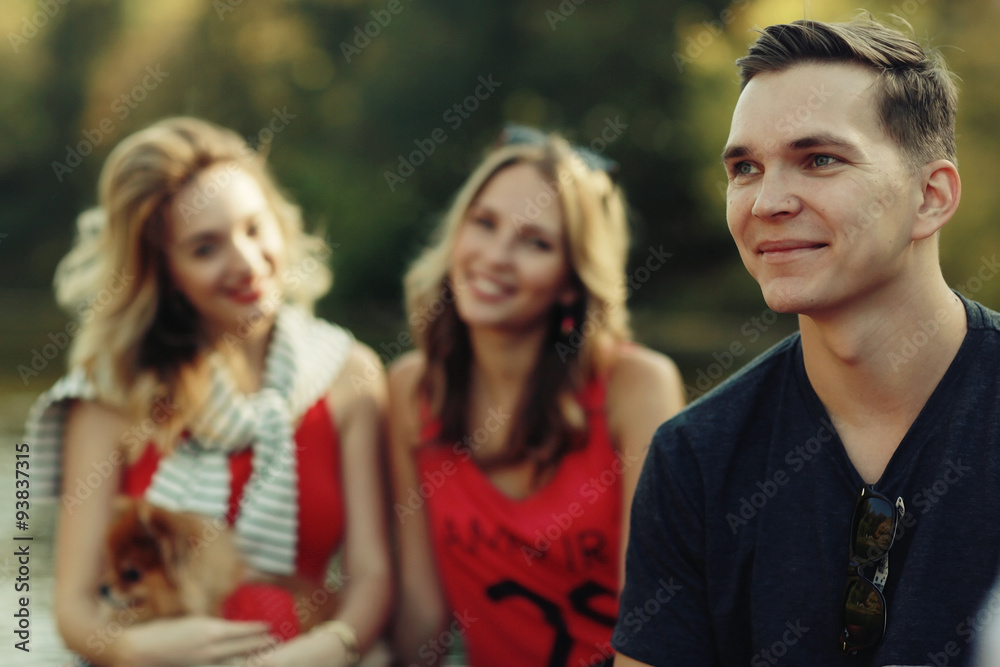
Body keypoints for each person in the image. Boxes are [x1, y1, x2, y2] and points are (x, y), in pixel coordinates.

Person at [613, 16, 1000, 667]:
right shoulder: (695, 460)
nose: (766, 201)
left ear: (930, 197)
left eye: (819, 159)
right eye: (744, 167)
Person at [24, 117, 391, 666]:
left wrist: (332, 647)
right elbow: (73, 608)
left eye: (253, 227)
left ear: (280, 224)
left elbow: (372, 573)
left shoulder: (349, 376)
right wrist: (129, 648)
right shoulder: (110, 397)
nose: (245, 262)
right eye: (204, 249)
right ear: (165, 271)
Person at [389, 125, 686, 667]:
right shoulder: (414, 389)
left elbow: (654, 625)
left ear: (572, 280)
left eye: (536, 242)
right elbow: (421, 613)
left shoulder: (636, 387)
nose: (496, 256)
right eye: (484, 224)